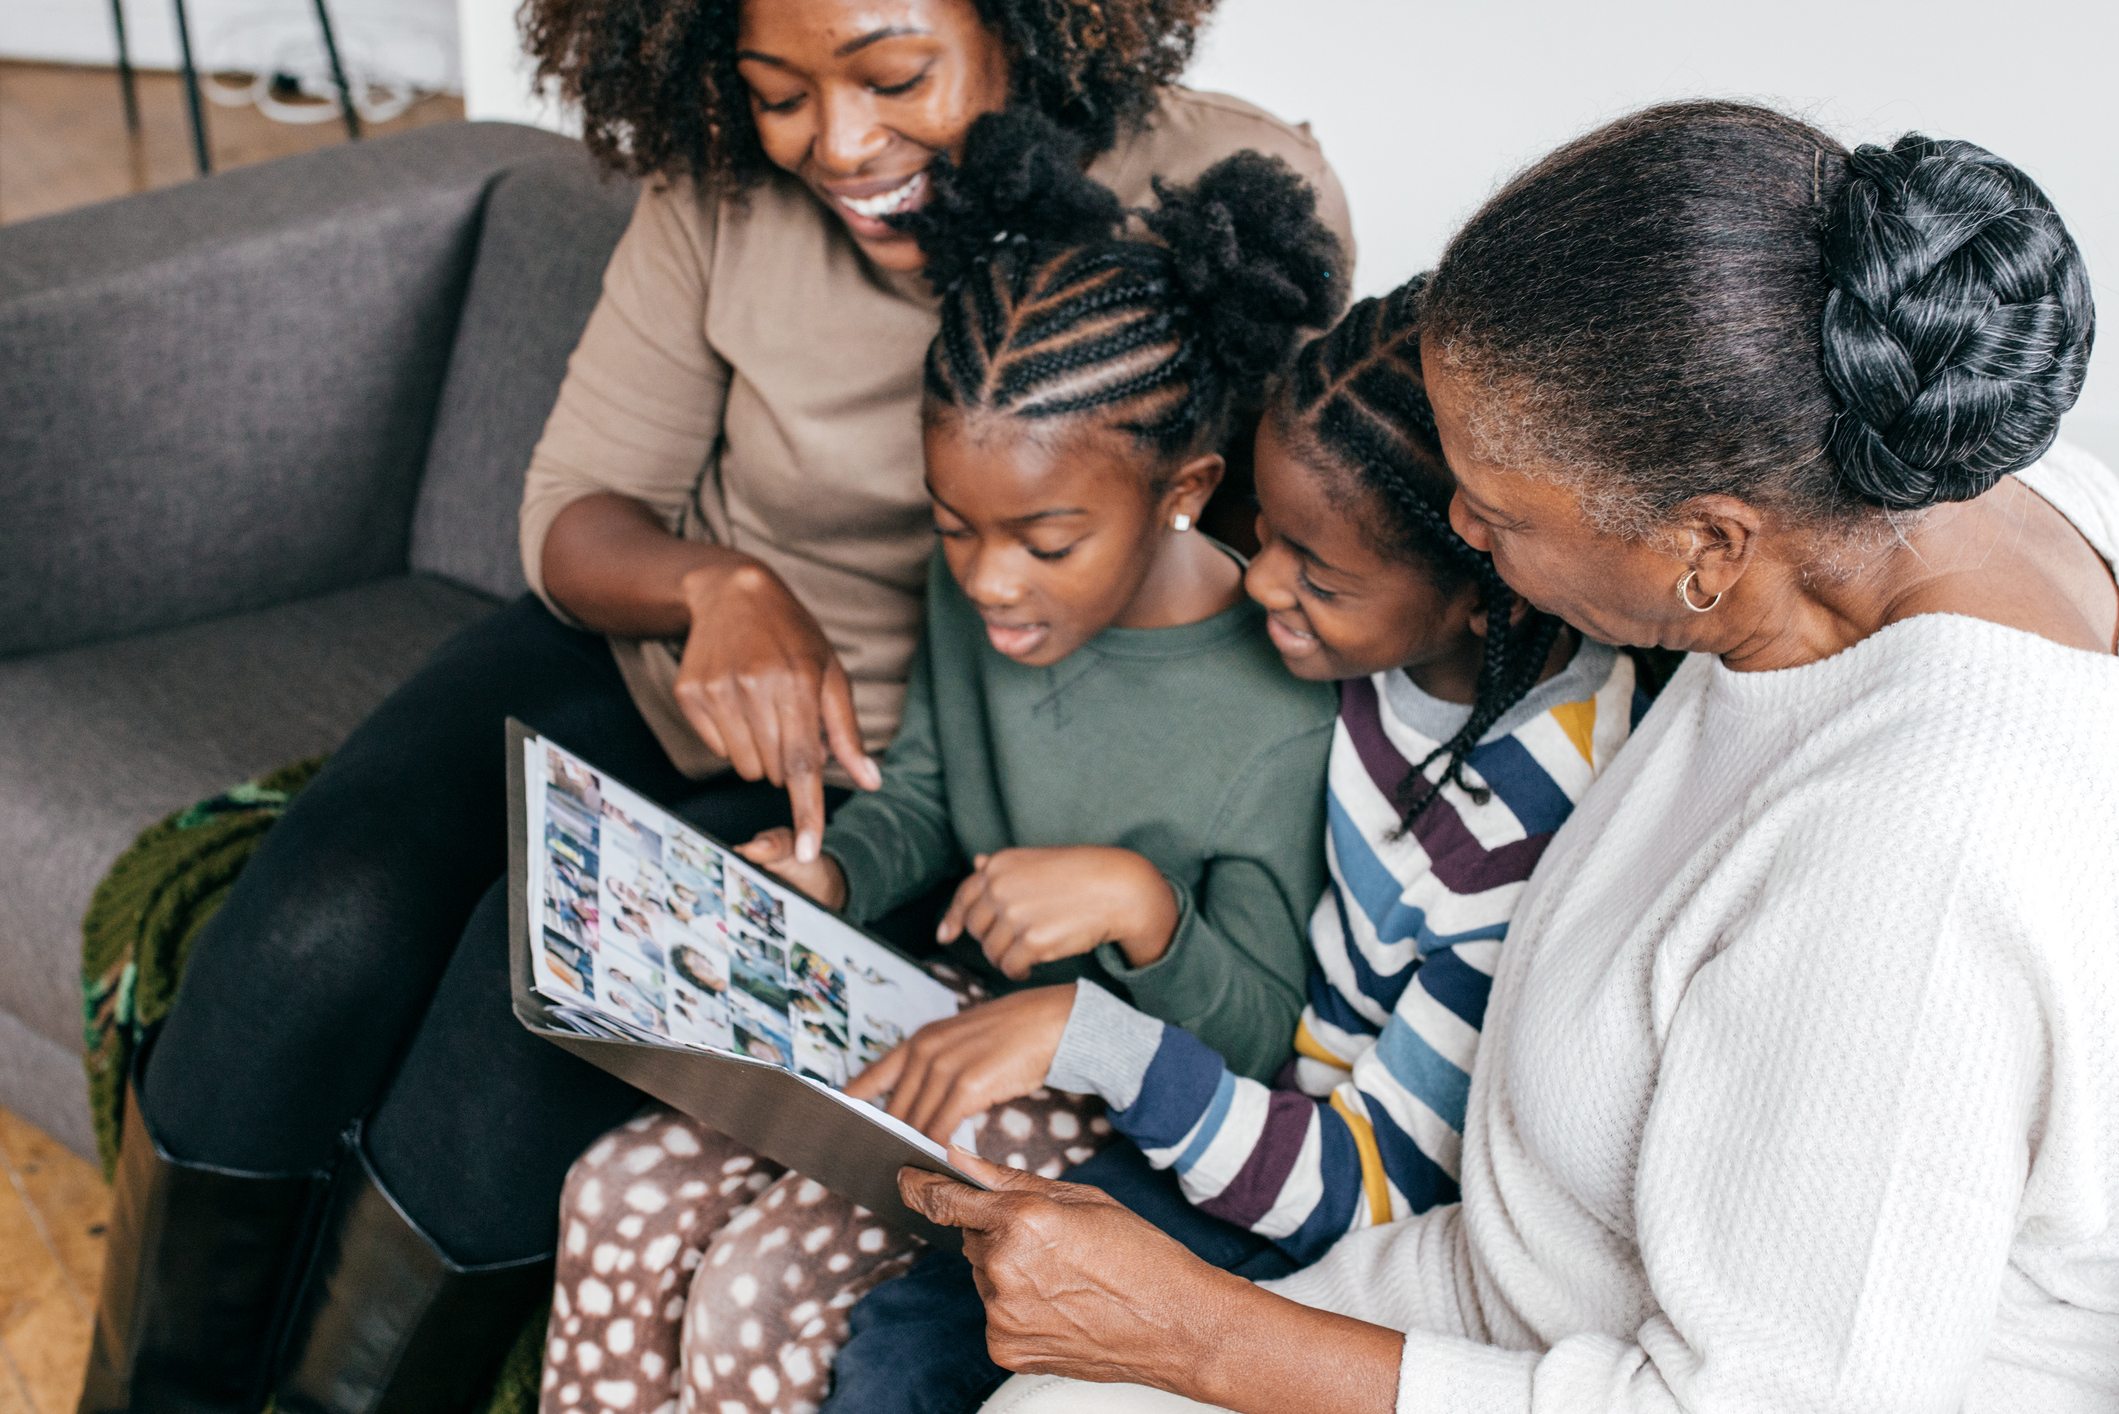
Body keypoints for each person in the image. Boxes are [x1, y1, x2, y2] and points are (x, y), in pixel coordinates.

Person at [80, 1, 1356, 1408]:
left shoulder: (1216, 211)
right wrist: (718, 587)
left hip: (883, 760)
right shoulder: (718, 195)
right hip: (664, 646)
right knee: (312, 913)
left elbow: (1252, 598)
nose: (840, 140)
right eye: (777, 90)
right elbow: (570, 517)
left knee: (509, 1017)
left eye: (892, 74)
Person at [893, 102, 2119, 1413]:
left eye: (1496, 515)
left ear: (1701, 548)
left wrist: (1185, 1332)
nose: (1458, 525)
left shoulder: (1909, 872)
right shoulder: (1894, 470)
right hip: (1500, 1287)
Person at [537, 113, 1346, 1414]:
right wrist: (833, 876)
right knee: (612, 1187)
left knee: (759, 1297)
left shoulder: (1281, 707)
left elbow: (1257, 1040)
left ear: (1184, 489)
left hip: (1121, 1101)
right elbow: (919, 793)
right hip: (943, 1007)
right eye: (954, 525)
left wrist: (1140, 909)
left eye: (1042, 537)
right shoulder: (973, 591)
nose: (986, 578)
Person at [820, 275, 1651, 1414]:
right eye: (1263, 535)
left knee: (916, 1356)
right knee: (919, 1320)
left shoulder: (1519, 833)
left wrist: (1088, 1031)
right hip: (1247, 1103)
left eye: (1314, 574)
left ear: (1485, 582)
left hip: (1330, 1182)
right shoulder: (1378, 639)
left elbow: (1369, 1186)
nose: (1258, 583)